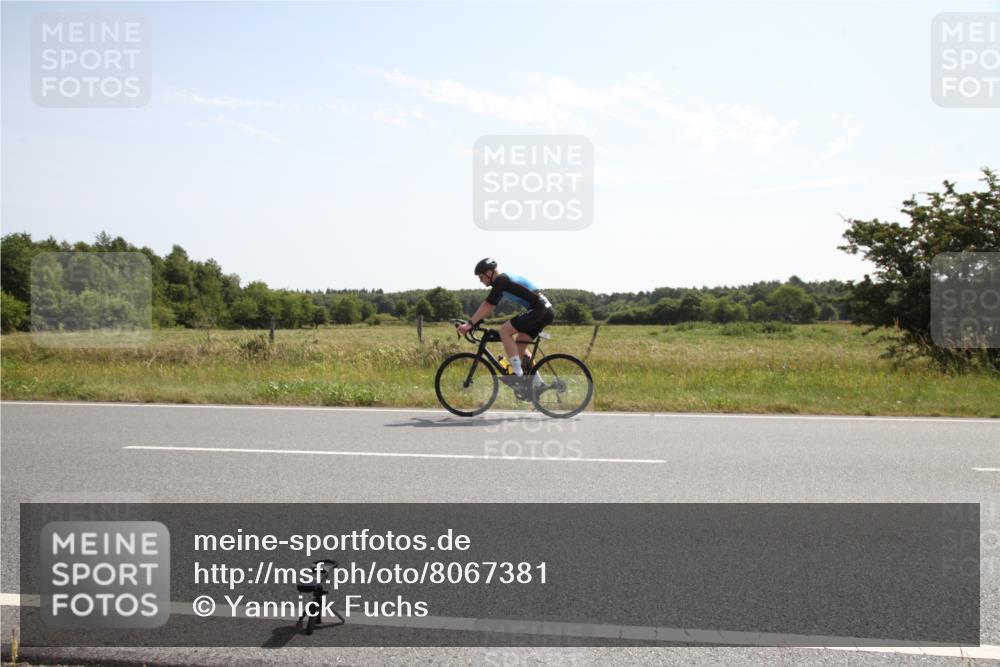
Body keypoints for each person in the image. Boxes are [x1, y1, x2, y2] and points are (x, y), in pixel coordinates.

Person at [458, 258, 554, 391]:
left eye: (481, 276)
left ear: (489, 273)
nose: (480, 280)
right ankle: (539, 384)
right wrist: (475, 321)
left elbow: (487, 305)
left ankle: (518, 377)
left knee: (504, 331)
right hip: (545, 310)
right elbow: (490, 307)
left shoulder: (501, 280)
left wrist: (470, 324)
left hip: (539, 310)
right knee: (520, 346)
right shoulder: (502, 282)